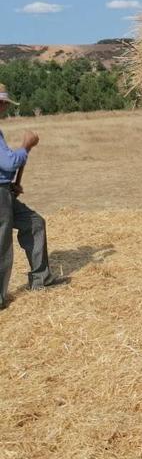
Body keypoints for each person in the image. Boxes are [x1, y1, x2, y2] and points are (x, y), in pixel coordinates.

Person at [0, 84, 55, 309]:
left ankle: (41, 279)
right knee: (2, 244)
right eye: (1, 103)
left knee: (34, 223)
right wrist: (26, 146)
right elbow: (9, 163)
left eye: (3, 103)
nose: (3, 107)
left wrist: (9, 185)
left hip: (4, 191)